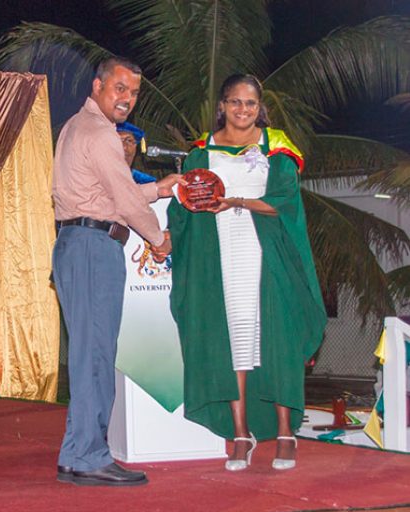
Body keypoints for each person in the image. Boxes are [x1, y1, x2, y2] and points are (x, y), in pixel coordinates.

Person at [167, 74, 327, 471]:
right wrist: (166, 235)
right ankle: (241, 433)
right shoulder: (201, 152)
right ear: (222, 105)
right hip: (219, 257)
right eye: (235, 102)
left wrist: (235, 200)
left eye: (250, 104)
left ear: (260, 108)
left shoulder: (276, 148)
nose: (242, 110)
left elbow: (284, 203)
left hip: (266, 255)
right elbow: (183, 204)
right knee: (233, 342)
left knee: (277, 341)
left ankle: (286, 432)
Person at [52, 55, 183, 486]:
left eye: (134, 93)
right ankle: (88, 456)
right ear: (98, 86)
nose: (127, 98)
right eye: (120, 88)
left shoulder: (75, 126)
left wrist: (158, 189)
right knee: (95, 356)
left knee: (89, 352)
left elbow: (108, 193)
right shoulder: (101, 133)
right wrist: (159, 239)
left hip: (77, 243)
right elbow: (123, 204)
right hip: (93, 248)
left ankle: (78, 452)